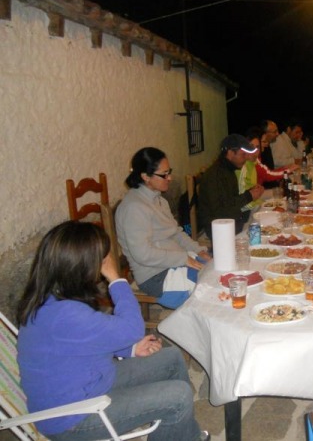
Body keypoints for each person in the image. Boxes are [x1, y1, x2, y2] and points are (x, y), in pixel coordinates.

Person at [16, 221, 209, 441]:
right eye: (101, 258)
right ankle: (179, 425)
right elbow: (132, 329)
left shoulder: (51, 298)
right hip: (73, 418)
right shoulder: (65, 313)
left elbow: (89, 339)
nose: (104, 263)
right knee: (178, 397)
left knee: (172, 358)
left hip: (92, 383)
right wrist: (116, 279)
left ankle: (184, 434)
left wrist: (131, 349)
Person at [116, 147, 210, 297]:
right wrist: (183, 258)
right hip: (155, 276)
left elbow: (176, 233)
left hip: (175, 262)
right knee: (209, 291)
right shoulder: (134, 208)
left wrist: (198, 250)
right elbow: (143, 254)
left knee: (218, 270)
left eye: (169, 172)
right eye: (164, 174)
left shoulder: (159, 200)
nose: (170, 178)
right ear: (146, 176)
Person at [197, 134, 264, 238]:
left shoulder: (228, 170)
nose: (246, 158)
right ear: (230, 153)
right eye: (243, 155)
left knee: (263, 221)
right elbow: (221, 212)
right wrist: (249, 196)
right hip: (218, 228)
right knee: (259, 230)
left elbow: (231, 201)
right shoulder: (215, 176)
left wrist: (250, 192)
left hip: (232, 221)